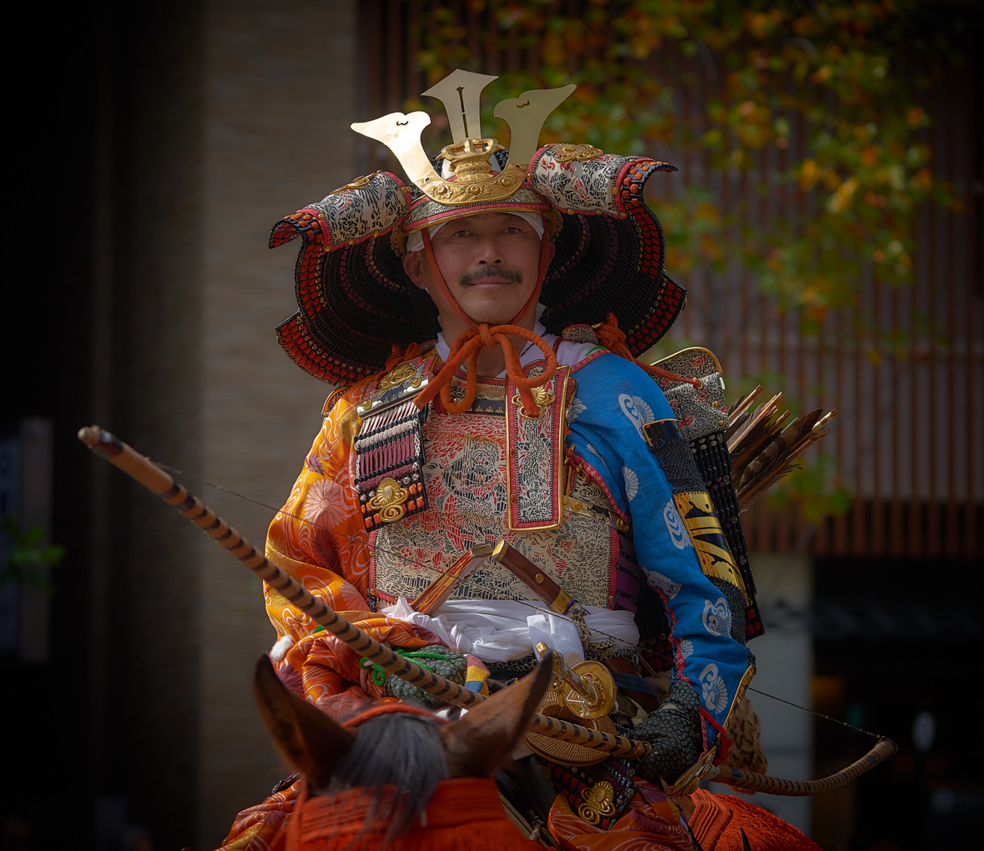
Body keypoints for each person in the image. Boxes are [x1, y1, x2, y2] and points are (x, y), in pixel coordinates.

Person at [220, 70, 758, 851]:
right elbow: (301, 571)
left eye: (511, 229)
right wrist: (378, 664)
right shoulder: (364, 408)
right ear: (416, 264)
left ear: (546, 251)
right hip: (396, 723)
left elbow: (707, 583)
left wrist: (687, 717)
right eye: (459, 235)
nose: (488, 253)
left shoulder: (620, 393)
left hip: (586, 731)